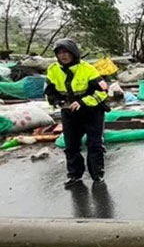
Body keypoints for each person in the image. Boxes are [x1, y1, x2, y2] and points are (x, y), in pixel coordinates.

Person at [44, 39, 109, 186]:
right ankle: (75, 175)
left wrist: (82, 102)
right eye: (60, 53)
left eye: (66, 52)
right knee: (71, 145)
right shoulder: (53, 69)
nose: (63, 56)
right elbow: (50, 91)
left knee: (94, 144)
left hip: (91, 111)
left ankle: (97, 175)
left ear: (73, 53)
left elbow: (103, 91)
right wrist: (57, 102)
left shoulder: (88, 69)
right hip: (69, 112)